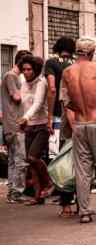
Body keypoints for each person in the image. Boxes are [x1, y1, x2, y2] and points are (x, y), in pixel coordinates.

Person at [60, 36, 96, 223]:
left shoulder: (67, 72)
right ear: (91, 52)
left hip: (79, 125)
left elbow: (66, 102)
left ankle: (84, 211)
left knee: (82, 169)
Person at [44, 37, 76, 216]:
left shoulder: (52, 63)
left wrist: (49, 116)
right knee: (80, 158)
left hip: (60, 117)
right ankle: (81, 201)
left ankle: (65, 204)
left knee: (62, 159)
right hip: (79, 116)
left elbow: (52, 88)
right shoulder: (77, 64)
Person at [17, 55, 53, 205]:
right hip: (28, 126)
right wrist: (21, 119)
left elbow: (38, 103)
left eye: (29, 69)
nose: (26, 72)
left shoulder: (42, 82)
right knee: (30, 163)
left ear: (36, 69)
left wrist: (25, 117)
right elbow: (22, 104)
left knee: (33, 157)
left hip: (42, 125)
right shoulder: (23, 83)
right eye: (24, 69)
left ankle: (49, 182)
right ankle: (38, 196)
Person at [1, 50, 31, 203]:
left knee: (13, 160)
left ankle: (13, 192)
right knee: (19, 159)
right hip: (15, 124)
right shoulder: (11, 76)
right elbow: (17, 97)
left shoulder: (9, 76)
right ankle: (17, 193)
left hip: (10, 124)